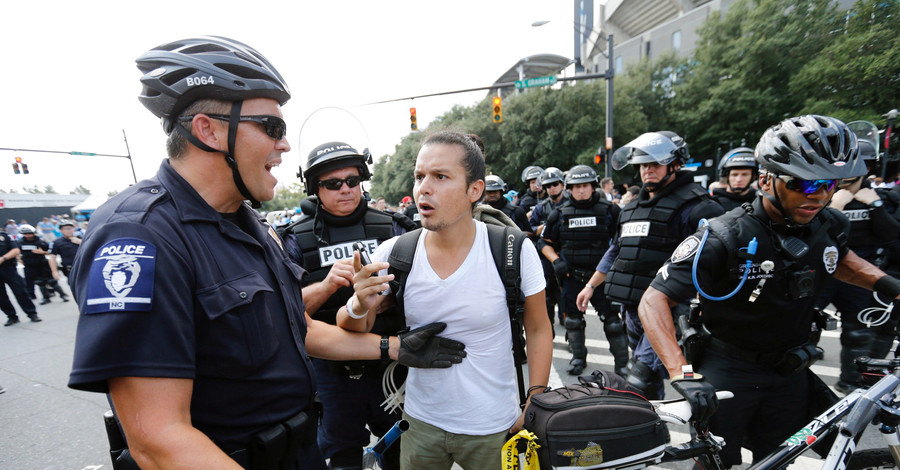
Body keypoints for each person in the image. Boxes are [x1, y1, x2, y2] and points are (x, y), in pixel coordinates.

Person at [67, 36, 466, 470]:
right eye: (271, 128)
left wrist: (393, 347)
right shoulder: (139, 237)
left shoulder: (250, 224)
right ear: (209, 130)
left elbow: (299, 330)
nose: (284, 145)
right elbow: (158, 439)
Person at [636, 115, 900, 467]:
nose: (819, 195)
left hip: (789, 368)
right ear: (766, 180)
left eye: (829, 185)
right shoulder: (723, 236)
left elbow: (841, 260)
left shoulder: (829, 223)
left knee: (778, 458)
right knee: (715, 462)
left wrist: (890, 286)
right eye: (804, 184)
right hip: (728, 368)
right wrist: (682, 374)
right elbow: (653, 300)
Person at [338, 131, 553, 470]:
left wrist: (536, 398)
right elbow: (351, 325)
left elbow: (539, 327)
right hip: (420, 424)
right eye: (419, 176)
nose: (424, 188)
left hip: (494, 427)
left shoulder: (511, 249)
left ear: (474, 190)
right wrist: (360, 303)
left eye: (440, 177)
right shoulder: (395, 252)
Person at [279, 141, 409, 470]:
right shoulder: (293, 240)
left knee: (402, 449)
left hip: (390, 367)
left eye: (352, 181)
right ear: (315, 188)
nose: (346, 189)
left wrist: (389, 298)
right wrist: (325, 286)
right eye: (333, 184)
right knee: (341, 454)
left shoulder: (394, 227)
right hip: (331, 372)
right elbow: (283, 310)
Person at [576, 131, 724, 398]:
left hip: (670, 310)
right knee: (649, 380)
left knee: (639, 378)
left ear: (674, 164)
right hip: (632, 309)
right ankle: (655, 429)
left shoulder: (696, 207)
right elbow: (617, 251)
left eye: (655, 164)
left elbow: (716, 262)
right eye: (643, 165)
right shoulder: (632, 208)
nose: (647, 170)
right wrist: (589, 286)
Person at [815, 147, 900, 394]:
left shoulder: (884, 198)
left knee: (860, 333)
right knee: (804, 323)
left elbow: (893, 240)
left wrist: (875, 205)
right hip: (822, 270)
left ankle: (853, 385)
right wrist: (834, 208)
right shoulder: (816, 194)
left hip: (861, 273)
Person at [540, 164, 628, 375]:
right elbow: (544, 242)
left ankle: (623, 365)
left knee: (614, 323)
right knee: (573, 320)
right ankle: (578, 358)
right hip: (572, 276)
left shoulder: (610, 210)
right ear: (569, 188)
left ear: (593, 186)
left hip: (602, 278)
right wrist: (556, 261)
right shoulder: (560, 213)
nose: (581, 190)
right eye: (576, 186)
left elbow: (624, 241)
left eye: (585, 185)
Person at [530, 167, 570, 325]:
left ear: (562, 184)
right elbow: (529, 229)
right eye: (548, 186)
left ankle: (568, 328)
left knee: (566, 298)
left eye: (555, 184)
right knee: (547, 296)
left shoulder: (571, 203)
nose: (552, 188)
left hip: (566, 254)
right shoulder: (541, 208)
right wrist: (538, 229)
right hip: (546, 256)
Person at [18, 224, 69, 304]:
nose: (28, 235)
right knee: (40, 282)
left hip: (42, 264)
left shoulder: (40, 242)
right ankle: (46, 297)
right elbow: (17, 252)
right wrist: (19, 259)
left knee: (52, 281)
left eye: (29, 233)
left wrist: (42, 252)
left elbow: (51, 252)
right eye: (25, 234)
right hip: (30, 266)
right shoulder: (20, 243)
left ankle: (63, 295)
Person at [0, 225, 40, 325]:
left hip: (8, 268)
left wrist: (3, 259)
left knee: (20, 291)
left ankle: (32, 313)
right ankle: (11, 316)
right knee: (1, 296)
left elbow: (16, 250)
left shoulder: (5, 237)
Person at [712, 147, 759, 211]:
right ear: (726, 176)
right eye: (734, 175)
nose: (739, 179)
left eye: (745, 175)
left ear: (753, 177)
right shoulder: (713, 204)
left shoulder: (760, 203)